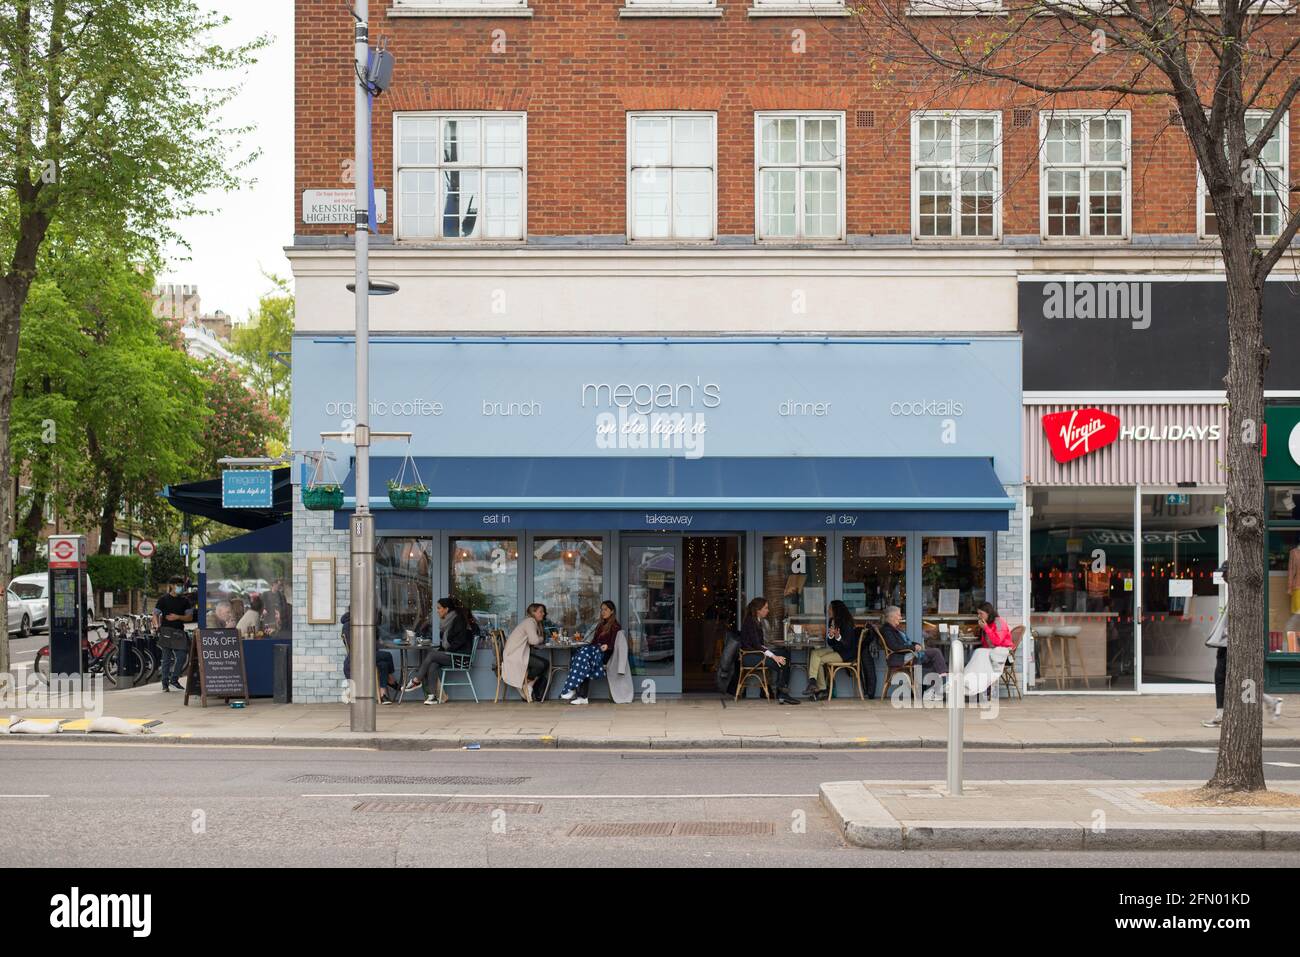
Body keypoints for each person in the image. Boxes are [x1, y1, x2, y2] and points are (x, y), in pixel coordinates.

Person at [1203, 563, 1283, 727]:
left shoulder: (1241, 592)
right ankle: (1270, 701)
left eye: (1225, 573)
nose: (1223, 577)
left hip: (1232, 643)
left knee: (1226, 678)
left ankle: (1222, 713)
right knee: (1231, 678)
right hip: (1228, 641)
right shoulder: (1236, 591)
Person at [403, 596, 478, 705]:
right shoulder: (447, 621)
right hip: (453, 654)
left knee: (432, 655)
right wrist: (443, 651)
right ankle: (432, 696)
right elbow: (445, 641)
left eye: (439, 608)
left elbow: (460, 641)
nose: (437, 611)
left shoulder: (458, 620)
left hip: (460, 657)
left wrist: (446, 651)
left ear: (446, 609)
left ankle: (416, 680)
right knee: (433, 663)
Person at [739, 597, 800, 705]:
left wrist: (774, 653)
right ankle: (782, 693)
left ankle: (781, 690)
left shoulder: (757, 621)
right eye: (766, 608)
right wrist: (774, 656)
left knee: (784, 654)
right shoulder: (750, 622)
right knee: (779, 661)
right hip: (749, 657)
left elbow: (760, 645)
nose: (768, 610)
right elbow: (757, 645)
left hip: (757, 654)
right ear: (758, 610)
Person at [560, 600, 622, 705]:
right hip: (594, 651)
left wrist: (608, 646)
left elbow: (614, 644)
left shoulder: (615, 626)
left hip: (604, 654)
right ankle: (582, 696)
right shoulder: (600, 624)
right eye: (602, 609)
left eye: (605, 609)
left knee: (582, 656)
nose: (603, 612)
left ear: (612, 611)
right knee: (580, 657)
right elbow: (594, 642)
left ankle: (573, 689)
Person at [340, 609, 401, 704]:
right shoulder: (348, 625)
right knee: (387, 655)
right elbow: (354, 645)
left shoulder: (364, 623)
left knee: (383, 664)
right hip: (358, 656)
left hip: (368, 653)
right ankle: (391, 680)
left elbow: (376, 637)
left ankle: (383, 695)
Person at [806, 600, 863, 701]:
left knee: (819, 660)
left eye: (829, 608)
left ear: (836, 610)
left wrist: (838, 637)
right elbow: (830, 643)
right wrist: (831, 636)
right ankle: (812, 682)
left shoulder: (847, 623)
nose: (828, 610)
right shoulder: (832, 621)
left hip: (845, 653)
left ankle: (822, 690)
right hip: (836, 649)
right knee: (814, 653)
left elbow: (847, 645)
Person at [879, 604, 947, 683]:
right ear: (891, 616)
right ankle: (944, 681)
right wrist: (913, 647)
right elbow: (895, 646)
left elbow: (904, 643)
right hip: (901, 658)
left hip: (907, 655)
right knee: (936, 652)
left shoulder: (893, 629)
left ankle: (932, 686)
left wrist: (915, 645)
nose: (901, 618)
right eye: (899, 615)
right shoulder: (887, 630)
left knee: (933, 662)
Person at [153, 575, 193, 693]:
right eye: (178, 585)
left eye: (181, 586)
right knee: (166, 659)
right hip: (166, 631)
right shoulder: (163, 600)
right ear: (171, 586)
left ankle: (174, 679)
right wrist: (156, 625)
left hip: (179, 632)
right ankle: (165, 683)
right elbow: (155, 614)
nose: (180, 588)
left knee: (181, 656)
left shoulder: (185, 601)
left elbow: (189, 617)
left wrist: (178, 617)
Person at [502, 603, 549, 702]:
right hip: (514, 655)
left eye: (543, 611)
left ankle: (527, 685)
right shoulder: (530, 622)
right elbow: (534, 641)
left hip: (516, 653)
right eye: (540, 611)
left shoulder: (531, 622)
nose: (543, 613)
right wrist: (542, 638)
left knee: (543, 664)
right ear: (533, 612)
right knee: (543, 664)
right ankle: (527, 684)